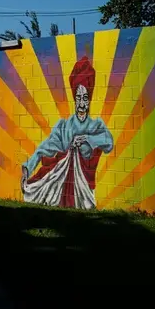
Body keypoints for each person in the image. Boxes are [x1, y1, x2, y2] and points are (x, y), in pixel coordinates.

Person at [21, 56, 114, 209]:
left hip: (85, 192)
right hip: (59, 188)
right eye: (79, 98)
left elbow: (108, 142)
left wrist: (87, 139)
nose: (82, 104)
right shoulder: (64, 126)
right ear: (74, 99)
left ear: (89, 98)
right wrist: (27, 168)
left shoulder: (96, 125)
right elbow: (44, 148)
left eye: (85, 98)